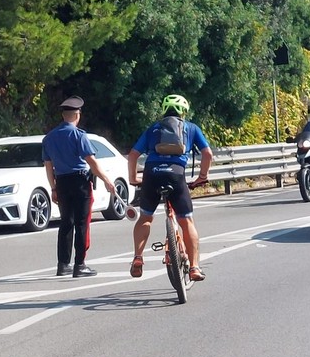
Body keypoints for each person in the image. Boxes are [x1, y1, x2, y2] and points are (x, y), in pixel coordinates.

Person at [127, 94, 213, 280]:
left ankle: (138, 258)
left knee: (145, 218)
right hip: (176, 175)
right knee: (186, 221)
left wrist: (134, 178)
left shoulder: (153, 129)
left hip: (152, 174)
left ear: (165, 110)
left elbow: (133, 154)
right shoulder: (191, 128)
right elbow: (207, 154)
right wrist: (202, 176)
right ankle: (195, 268)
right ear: (184, 111)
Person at [42, 96, 115, 277]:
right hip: (80, 182)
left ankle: (63, 264)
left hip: (62, 182)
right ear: (77, 115)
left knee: (66, 222)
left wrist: (53, 188)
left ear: (63, 115)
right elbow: (92, 162)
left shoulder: (49, 138)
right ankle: (80, 264)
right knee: (83, 223)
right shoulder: (78, 135)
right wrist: (106, 179)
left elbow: (48, 166)